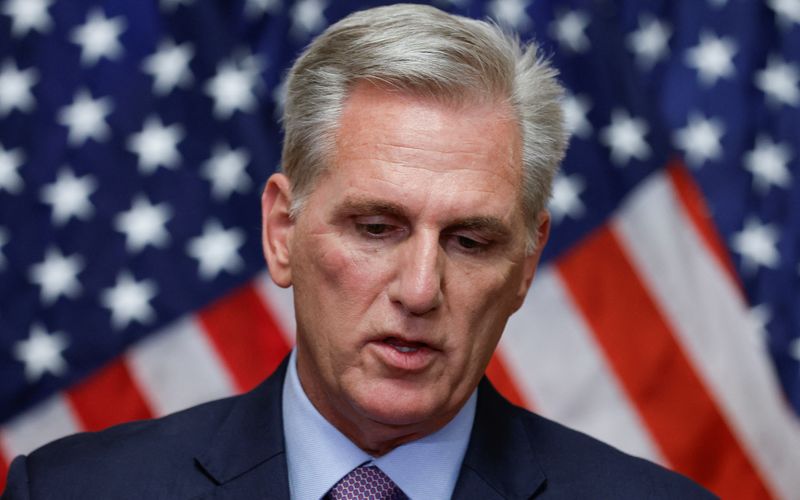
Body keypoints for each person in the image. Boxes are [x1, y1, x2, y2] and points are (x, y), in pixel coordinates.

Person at [2, 4, 715, 499]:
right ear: (282, 231)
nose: (419, 288)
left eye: (470, 241)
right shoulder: (71, 491)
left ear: (526, 264)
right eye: (377, 228)